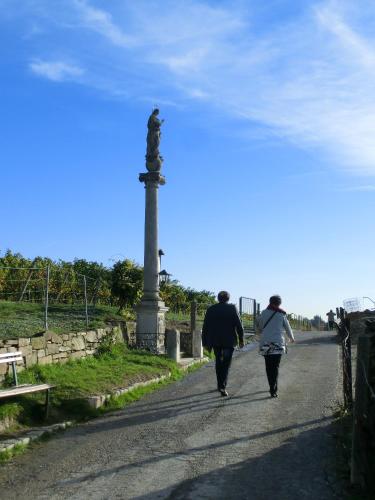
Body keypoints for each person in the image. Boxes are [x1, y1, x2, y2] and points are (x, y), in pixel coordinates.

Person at [202, 291, 244, 397]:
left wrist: (205, 342)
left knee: (218, 362)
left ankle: (220, 384)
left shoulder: (211, 309)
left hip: (215, 341)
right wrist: (241, 339)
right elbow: (239, 325)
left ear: (218, 298)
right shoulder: (232, 308)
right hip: (229, 341)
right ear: (228, 299)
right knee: (226, 364)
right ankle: (222, 386)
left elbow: (205, 326)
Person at [257, 295, 295, 398]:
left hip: (266, 343)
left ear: (270, 302)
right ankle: (274, 389)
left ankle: (271, 387)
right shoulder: (281, 314)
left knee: (268, 367)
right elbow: (287, 327)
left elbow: (260, 326)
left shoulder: (264, 313)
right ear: (279, 303)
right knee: (275, 367)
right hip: (278, 343)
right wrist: (291, 338)